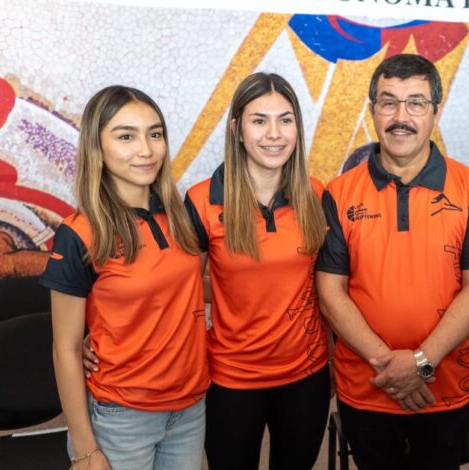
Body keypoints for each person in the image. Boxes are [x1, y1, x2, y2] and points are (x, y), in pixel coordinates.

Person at [316, 53, 469, 470]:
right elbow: (330, 293)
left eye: (416, 102)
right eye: (389, 102)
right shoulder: (339, 193)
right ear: (372, 110)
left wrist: (420, 363)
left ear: (436, 111)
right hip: (368, 384)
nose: (401, 117)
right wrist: (393, 367)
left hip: (444, 385)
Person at [42, 86, 208, 470]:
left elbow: (181, 294)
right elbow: (65, 349)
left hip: (189, 407)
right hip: (122, 415)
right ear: (97, 148)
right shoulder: (80, 233)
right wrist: (85, 448)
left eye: (155, 134)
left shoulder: (180, 216)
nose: (146, 150)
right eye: (126, 136)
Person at [184, 72, 330, 470]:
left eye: (285, 120)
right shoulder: (202, 200)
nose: (274, 134)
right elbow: (179, 288)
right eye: (259, 120)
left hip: (306, 375)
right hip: (231, 379)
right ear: (237, 129)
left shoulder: (317, 195)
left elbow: (334, 287)